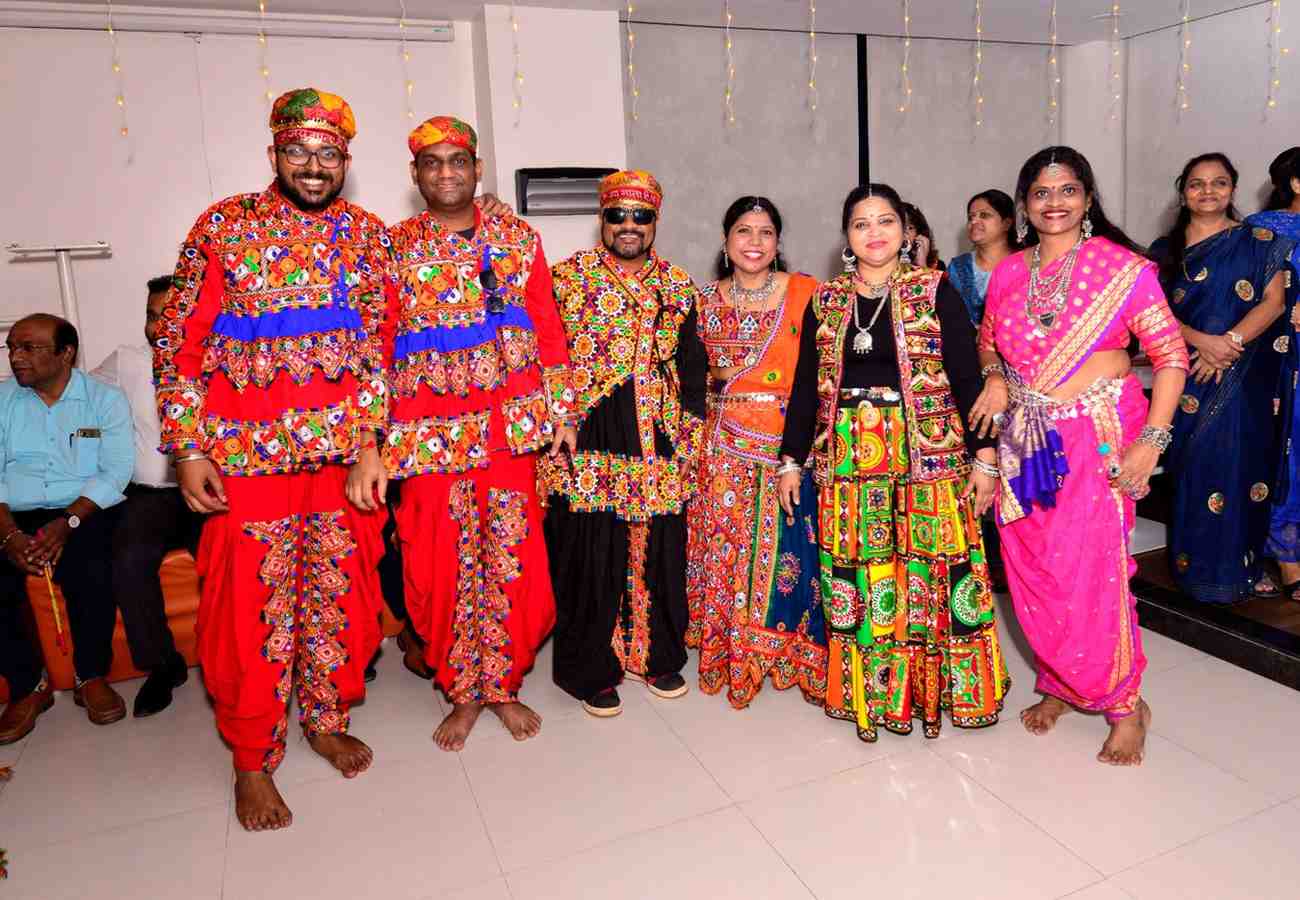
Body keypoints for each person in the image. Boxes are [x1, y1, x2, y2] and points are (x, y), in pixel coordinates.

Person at [154, 87, 394, 831]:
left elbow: (381, 352)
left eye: (328, 154)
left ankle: (324, 717)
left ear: (345, 162)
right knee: (248, 610)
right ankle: (252, 757)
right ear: (274, 155)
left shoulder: (367, 234)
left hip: (339, 463)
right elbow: (178, 343)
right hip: (245, 462)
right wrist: (187, 447)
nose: (313, 166)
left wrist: (370, 445)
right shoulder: (223, 226)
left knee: (339, 597)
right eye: (298, 151)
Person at [974, 146, 1189, 765]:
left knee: (1091, 570)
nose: (1055, 202)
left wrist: (1151, 440)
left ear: (1088, 198)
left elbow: (1170, 357)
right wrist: (994, 377)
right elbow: (989, 345)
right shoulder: (1008, 273)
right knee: (1035, 570)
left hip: (1095, 437)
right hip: (1025, 440)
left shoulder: (1123, 268)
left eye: (1068, 190)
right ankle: (1062, 683)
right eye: (1041, 192)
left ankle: (1125, 705)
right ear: (1025, 204)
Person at [778, 183, 1007, 743]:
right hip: (849, 461)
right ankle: (875, 694)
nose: (874, 232)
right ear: (846, 236)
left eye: (885, 221)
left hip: (927, 454)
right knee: (863, 576)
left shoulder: (934, 289)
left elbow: (965, 377)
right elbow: (804, 387)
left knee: (933, 572)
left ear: (905, 232)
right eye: (861, 224)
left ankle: (941, 693)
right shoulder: (827, 300)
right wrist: (790, 460)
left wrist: (985, 458)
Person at [382, 115, 574, 750]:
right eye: (432, 162)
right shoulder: (392, 246)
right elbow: (375, 342)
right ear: (415, 174)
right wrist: (370, 436)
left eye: (458, 160)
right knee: (437, 561)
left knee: (514, 559)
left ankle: (504, 686)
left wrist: (563, 413)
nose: (446, 173)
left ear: (477, 169)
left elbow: (548, 328)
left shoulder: (518, 238)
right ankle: (462, 691)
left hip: (507, 430)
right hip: (426, 435)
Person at [544, 170, 708, 717]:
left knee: (659, 546)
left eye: (641, 216)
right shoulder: (566, 277)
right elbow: (546, 355)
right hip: (591, 431)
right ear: (602, 218)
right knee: (593, 549)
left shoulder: (678, 284)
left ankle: (658, 656)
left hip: (659, 432)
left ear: (656, 221)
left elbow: (693, 367)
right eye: (617, 215)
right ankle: (591, 668)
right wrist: (559, 418)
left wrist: (689, 439)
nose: (629, 225)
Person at [685, 196, 825, 709]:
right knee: (726, 549)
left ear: (778, 242)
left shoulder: (807, 294)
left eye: (766, 232)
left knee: (790, 552)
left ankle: (788, 652)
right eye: (744, 231)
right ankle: (730, 647)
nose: (755, 242)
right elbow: (688, 374)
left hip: (787, 441)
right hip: (721, 444)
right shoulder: (702, 300)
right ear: (726, 241)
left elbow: (821, 371)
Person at [1148, 153, 1291, 604]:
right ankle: (1195, 570)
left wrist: (1228, 343)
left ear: (1232, 188)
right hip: (1185, 373)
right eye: (1197, 183)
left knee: (1244, 467)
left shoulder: (1260, 242)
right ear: (1183, 191)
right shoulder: (1164, 251)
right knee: (1195, 466)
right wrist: (1202, 342)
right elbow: (1152, 313)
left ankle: (1243, 568)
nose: (1207, 191)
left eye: (1219, 182)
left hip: (1247, 375)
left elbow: (1273, 302)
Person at [1, 314, 133, 742]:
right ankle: (28, 687)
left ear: (66, 353)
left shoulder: (104, 400)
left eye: (29, 348)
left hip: (82, 509)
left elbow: (116, 471)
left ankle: (89, 676)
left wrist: (68, 521)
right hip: (13, 510)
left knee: (91, 563)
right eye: (12, 348)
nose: (16, 357)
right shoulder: (3, 401)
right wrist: (9, 535)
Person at [91, 275, 200, 717]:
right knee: (129, 559)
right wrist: (91, 442)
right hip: (151, 495)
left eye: (170, 315)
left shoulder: (221, 358)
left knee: (232, 559)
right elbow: (81, 400)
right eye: (152, 316)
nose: (159, 327)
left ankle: (245, 655)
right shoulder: (127, 361)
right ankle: (163, 665)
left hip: (209, 489)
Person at [1244, 147, 1300, 601]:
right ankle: (1286, 556)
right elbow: (1244, 296)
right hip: (1282, 356)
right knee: (1286, 450)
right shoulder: (1264, 230)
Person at [947, 189, 1018, 327]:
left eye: (984, 215)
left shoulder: (1024, 264)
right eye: (971, 217)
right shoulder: (959, 267)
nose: (974, 221)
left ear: (1007, 223)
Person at [901, 202, 944, 270]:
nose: (905, 233)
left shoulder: (938, 265)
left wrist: (922, 264)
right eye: (901, 227)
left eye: (910, 228)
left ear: (919, 234)